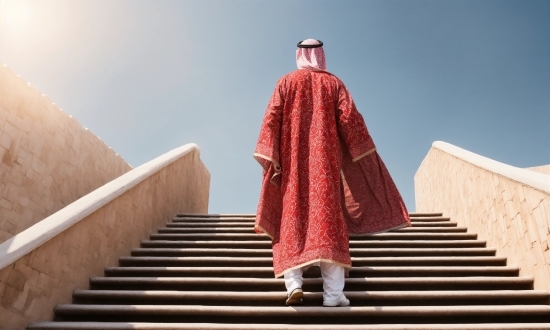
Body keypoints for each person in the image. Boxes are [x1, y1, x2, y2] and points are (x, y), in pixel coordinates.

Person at [253, 39, 411, 307]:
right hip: (325, 166)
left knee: (291, 219)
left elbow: (272, 118)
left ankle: (293, 284)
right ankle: (333, 295)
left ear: (300, 55)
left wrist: (272, 156)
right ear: (321, 56)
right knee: (328, 222)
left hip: (292, 165)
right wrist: (360, 153)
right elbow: (349, 119)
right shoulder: (334, 83)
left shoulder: (285, 82)